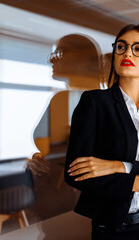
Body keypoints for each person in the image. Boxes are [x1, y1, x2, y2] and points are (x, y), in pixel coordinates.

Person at [65, 24, 139, 240]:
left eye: (138, 49)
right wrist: (135, 182)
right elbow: (76, 174)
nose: (127, 52)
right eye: (122, 47)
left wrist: (119, 166)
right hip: (114, 229)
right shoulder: (94, 103)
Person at [28, 33, 102, 176]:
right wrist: (37, 160)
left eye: (60, 52)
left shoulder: (102, 102)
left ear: (86, 60)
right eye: (54, 53)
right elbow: (46, 150)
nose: (52, 60)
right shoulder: (61, 99)